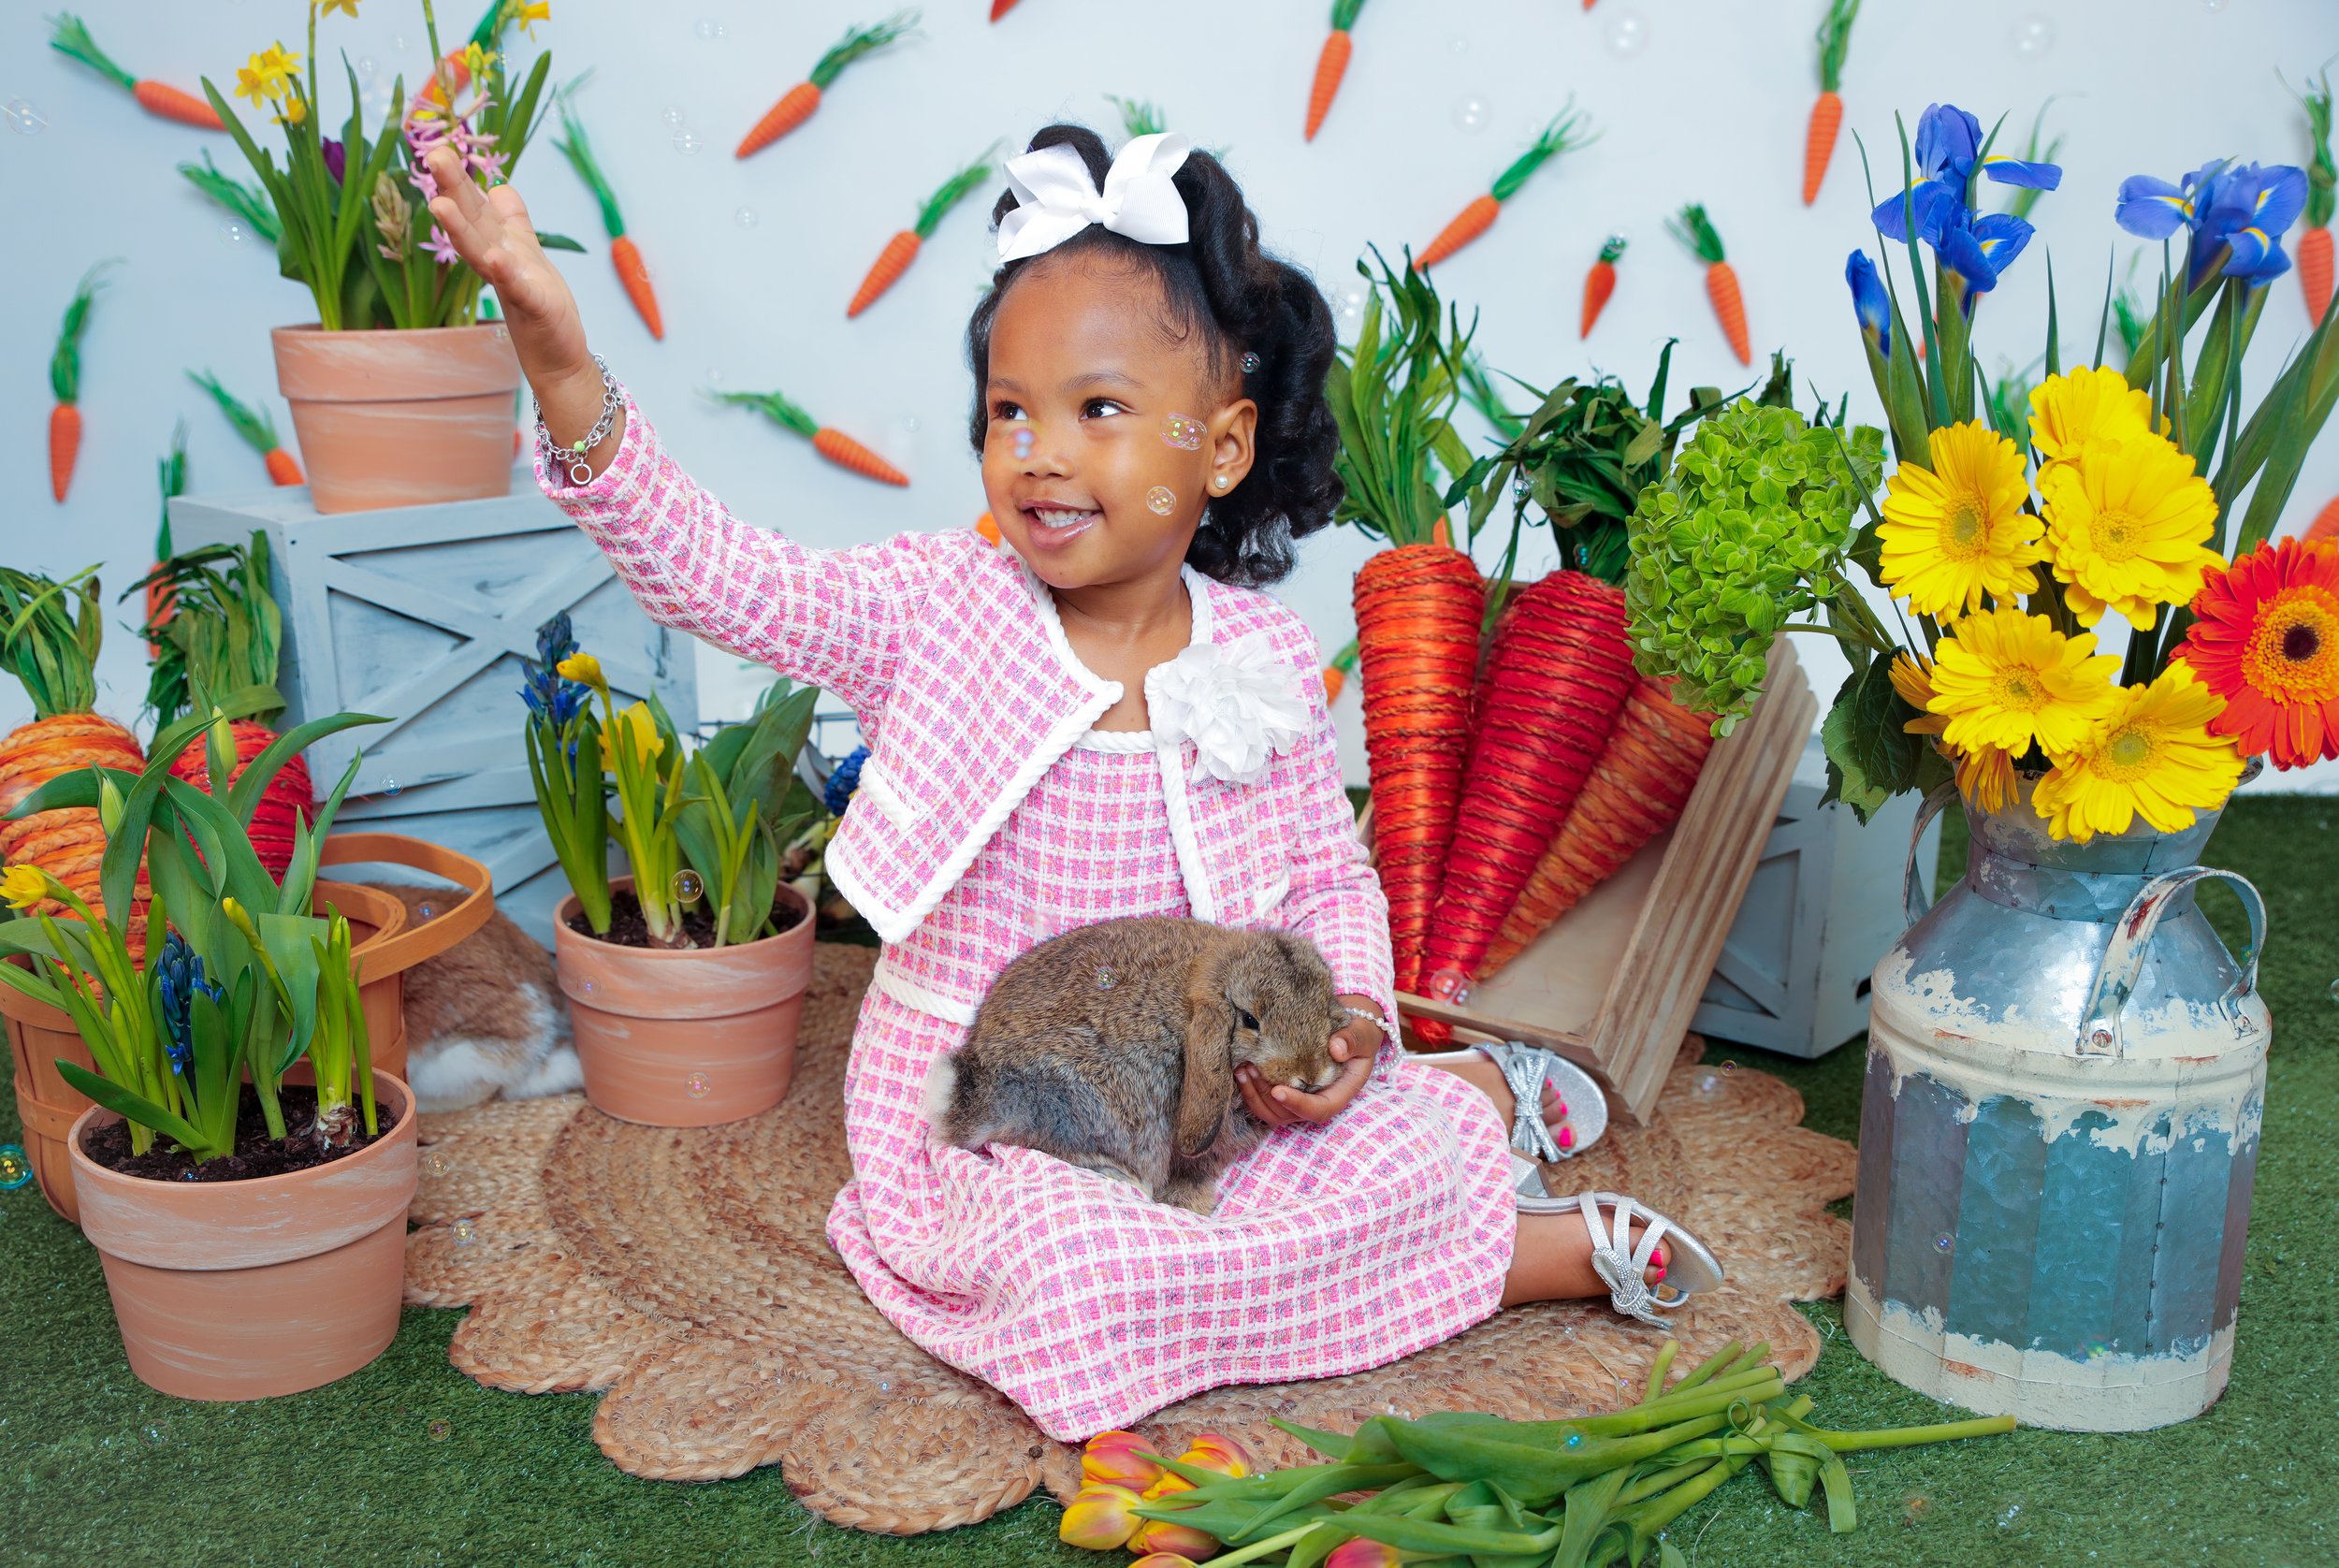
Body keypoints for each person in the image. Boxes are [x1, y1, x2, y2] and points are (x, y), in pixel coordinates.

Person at [420, 124, 1719, 1443]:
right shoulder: (936, 609)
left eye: (1096, 410)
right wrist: (563, 361)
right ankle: (1485, 1248)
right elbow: (719, 574)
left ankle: (1485, 1169)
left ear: (1216, 450)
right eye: (1009, 411)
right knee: (1075, 1275)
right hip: (1019, 1115)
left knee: (1385, 1141)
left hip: (1225, 1096)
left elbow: (1325, 880)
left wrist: (1354, 1034)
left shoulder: (1258, 655)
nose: (1040, 451)